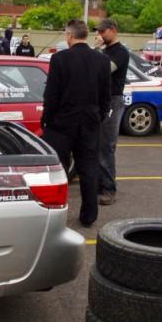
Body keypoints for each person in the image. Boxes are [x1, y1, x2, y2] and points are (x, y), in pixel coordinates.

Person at [42, 19, 111, 228]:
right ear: (86, 36)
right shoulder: (102, 61)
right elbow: (105, 97)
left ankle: (56, 213)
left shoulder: (59, 59)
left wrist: (47, 118)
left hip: (61, 124)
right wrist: (97, 119)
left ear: (69, 36)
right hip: (89, 123)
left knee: (58, 170)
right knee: (88, 169)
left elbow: (51, 94)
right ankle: (89, 215)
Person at [94, 18, 130, 205]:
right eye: (98, 32)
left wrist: (98, 50)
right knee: (97, 144)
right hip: (100, 101)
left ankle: (109, 189)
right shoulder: (106, 51)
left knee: (106, 145)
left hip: (112, 102)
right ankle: (99, 184)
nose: (100, 35)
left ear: (113, 30)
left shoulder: (120, 52)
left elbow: (104, 69)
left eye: (103, 32)